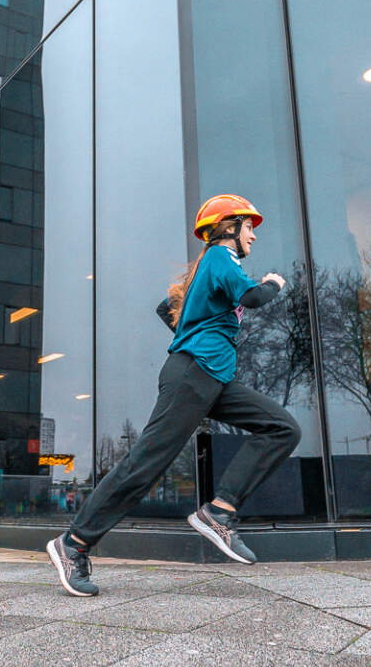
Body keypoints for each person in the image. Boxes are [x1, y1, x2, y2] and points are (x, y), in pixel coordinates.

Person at [46, 194, 301, 597]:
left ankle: (219, 512)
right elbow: (253, 298)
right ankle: (73, 543)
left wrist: (191, 332)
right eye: (249, 227)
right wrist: (273, 282)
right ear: (228, 227)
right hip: (193, 375)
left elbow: (167, 308)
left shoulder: (207, 269)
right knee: (145, 464)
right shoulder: (221, 256)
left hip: (213, 377)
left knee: (282, 428)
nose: (253, 235)